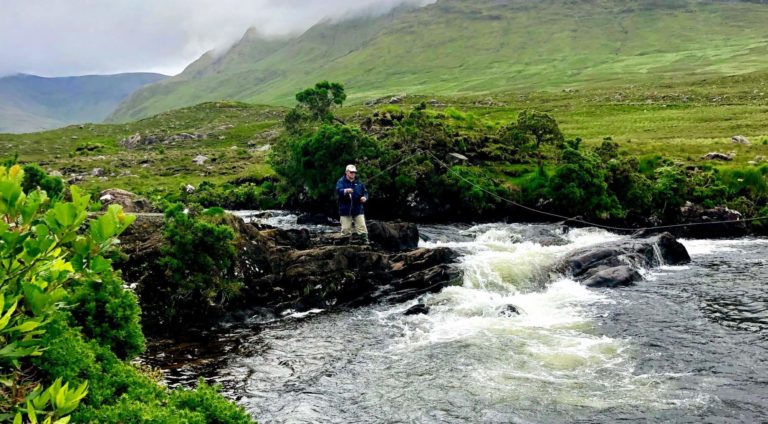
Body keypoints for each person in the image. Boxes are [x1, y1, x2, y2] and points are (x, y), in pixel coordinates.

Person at [336, 164, 369, 244]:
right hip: (345, 209)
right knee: (346, 229)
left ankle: (365, 243)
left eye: (354, 172)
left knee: (362, 227)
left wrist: (364, 198)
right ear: (346, 172)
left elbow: (365, 192)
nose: (353, 174)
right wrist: (346, 191)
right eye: (351, 172)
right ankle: (345, 244)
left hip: (358, 209)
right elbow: (338, 191)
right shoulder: (341, 181)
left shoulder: (359, 182)